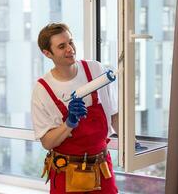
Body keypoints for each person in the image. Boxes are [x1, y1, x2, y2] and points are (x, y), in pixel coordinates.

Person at [31, 23, 118, 194]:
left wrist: (132, 142)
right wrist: (69, 123)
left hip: (102, 169)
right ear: (47, 53)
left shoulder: (95, 70)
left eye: (71, 42)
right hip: (66, 173)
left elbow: (114, 114)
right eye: (62, 46)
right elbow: (47, 142)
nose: (70, 49)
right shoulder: (43, 89)